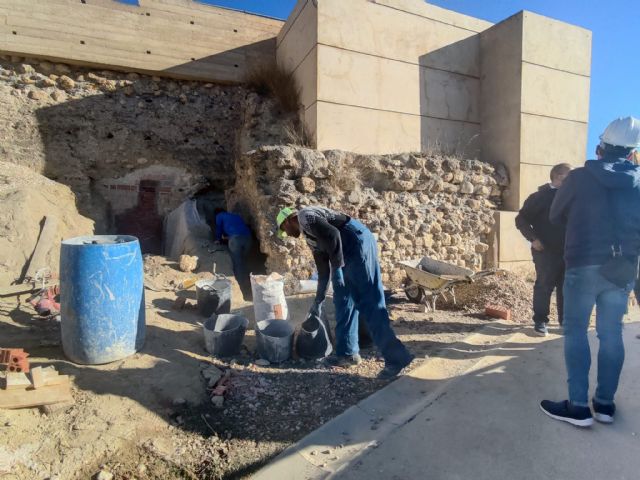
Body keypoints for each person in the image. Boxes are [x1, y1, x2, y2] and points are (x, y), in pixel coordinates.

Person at [540, 116, 640, 427]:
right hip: (621, 268)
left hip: (583, 264)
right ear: (632, 153)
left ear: (601, 147)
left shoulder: (579, 178)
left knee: (576, 332)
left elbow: (556, 215)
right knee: (611, 334)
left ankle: (579, 407)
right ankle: (605, 405)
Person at [276, 206, 414, 379]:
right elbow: (323, 270)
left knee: (368, 302)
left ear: (288, 220)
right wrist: (318, 300)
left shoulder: (306, 216)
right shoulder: (311, 238)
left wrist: (338, 268)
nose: (287, 235)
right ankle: (347, 354)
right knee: (343, 299)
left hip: (357, 243)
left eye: (284, 230)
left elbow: (333, 234)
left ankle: (397, 358)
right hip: (344, 253)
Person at [515, 163, 572, 336]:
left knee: (566, 287)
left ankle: (565, 322)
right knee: (544, 285)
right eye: (568, 177)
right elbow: (521, 219)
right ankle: (540, 321)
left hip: (569, 251)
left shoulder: (572, 197)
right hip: (545, 250)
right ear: (557, 176)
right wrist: (533, 239)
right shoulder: (539, 197)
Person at [213, 208, 253, 301]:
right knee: (244, 260)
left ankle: (241, 288)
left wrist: (218, 239)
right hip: (248, 238)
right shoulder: (236, 216)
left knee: (237, 263)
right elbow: (238, 228)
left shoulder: (219, 216)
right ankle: (250, 283)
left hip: (235, 240)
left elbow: (218, 228)